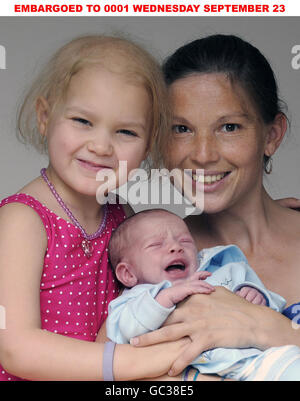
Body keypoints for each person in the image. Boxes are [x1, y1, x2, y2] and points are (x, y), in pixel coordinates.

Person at [0, 34, 189, 381]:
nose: (101, 145)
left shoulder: (121, 215)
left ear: (148, 146)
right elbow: (16, 349)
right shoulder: (22, 220)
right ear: (45, 117)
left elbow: (150, 296)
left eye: (126, 132)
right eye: (83, 122)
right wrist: (132, 363)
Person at [131, 34, 300, 380]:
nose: (204, 154)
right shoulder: (150, 263)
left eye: (229, 127)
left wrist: (267, 328)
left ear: (271, 136)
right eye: (181, 129)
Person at [105, 208, 300, 381]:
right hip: (192, 372)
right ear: (128, 274)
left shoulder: (224, 270)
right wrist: (164, 299)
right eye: (156, 244)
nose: (176, 247)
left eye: (185, 241)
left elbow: (274, 310)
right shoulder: (138, 298)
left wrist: (257, 295)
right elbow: (122, 332)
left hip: (254, 363)